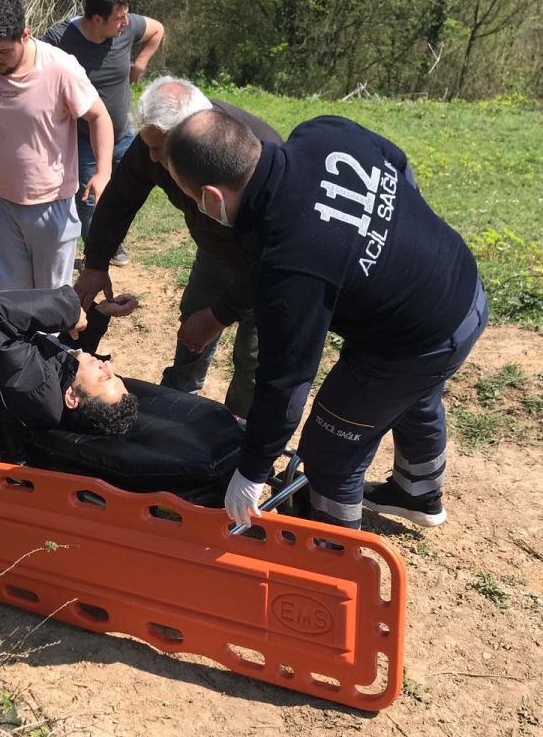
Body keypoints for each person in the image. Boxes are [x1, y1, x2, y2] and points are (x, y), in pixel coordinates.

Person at [164, 111, 488, 531]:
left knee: (330, 447)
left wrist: (251, 472)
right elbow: (398, 160)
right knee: (411, 396)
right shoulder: (324, 132)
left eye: (191, 199)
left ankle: (333, 552)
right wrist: (391, 245)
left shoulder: (286, 261)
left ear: (211, 197)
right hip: (461, 284)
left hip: (416, 340)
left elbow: (286, 382)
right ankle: (418, 491)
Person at [75, 77, 281, 418]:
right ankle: (180, 405)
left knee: (256, 355)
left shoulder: (253, 158)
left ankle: (241, 433)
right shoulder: (157, 140)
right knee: (192, 327)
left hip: (267, 267)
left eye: (160, 149)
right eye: (148, 147)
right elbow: (121, 197)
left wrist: (219, 315)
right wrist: (96, 263)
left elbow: (270, 259)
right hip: (215, 252)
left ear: (193, 136)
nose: (152, 158)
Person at [0, 0, 115, 292]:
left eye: (4, 51)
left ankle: (50, 341)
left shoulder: (60, 68)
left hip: (51, 205)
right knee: (6, 300)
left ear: (25, 34)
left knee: (50, 300)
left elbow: (99, 117)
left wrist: (103, 172)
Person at [41, 0, 165, 264]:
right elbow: (38, 70)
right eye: (119, 18)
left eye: (126, 16)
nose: (126, 23)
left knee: (126, 188)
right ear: (98, 19)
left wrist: (141, 62)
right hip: (84, 137)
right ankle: (99, 249)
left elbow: (157, 29)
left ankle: (112, 239)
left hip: (124, 133)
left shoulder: (127, 26)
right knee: (90, 197)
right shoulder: (59, 39)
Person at [0, 286, 139, 435]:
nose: (108, 365)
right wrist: (100, 314)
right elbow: (63, 355)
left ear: (71, 397)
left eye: (103, 377)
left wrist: (68, 311)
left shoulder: (34, 384)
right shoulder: (59, 384)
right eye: (114, 375)